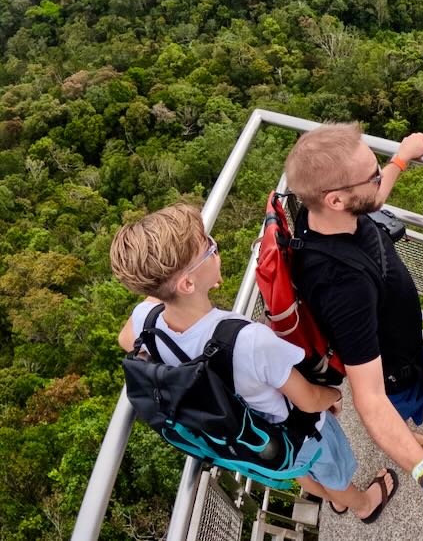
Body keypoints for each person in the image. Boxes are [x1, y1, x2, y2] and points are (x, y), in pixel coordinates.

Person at [113, 204, 399, 523]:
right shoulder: (248, 341)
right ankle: (360, 503)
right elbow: (307, 400)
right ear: (187, 284)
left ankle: (335, 499)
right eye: (209, 247)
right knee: (334, 472)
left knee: (299, 469)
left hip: (255, 443)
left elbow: (127, 338)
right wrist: (334, 396)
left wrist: (159, 287)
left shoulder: (146, 321)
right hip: (299, 432)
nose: (214, 247)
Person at [283, 123, 423, 520]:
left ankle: (409, 429)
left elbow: (371, 198)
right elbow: (369, 400)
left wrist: (401, 158)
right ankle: (410, 436)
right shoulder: (342, 285)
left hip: (400, 344)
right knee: (400, 406)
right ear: (334, 199)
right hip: (393, 372)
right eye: (372, 173)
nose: (379, 177)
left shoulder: (320, 212)